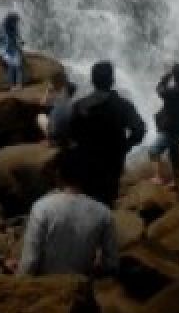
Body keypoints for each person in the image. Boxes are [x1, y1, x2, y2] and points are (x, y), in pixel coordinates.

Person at [59, 61, 146, 207]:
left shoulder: (80, 105)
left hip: (86, 161)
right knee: (107, 200)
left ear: (92, 81)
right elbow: (140, 129)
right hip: (113, 162)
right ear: (112, 80)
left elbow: (68, 132)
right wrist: (126, 146)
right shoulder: (123, 105)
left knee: (86, 198)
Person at [18, 151, 119, 277]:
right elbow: (111, 263)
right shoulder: (103, 212)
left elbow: (29, 261)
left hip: (45, 287)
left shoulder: (41, 207)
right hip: (79, 289)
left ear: (58, 174)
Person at [148, 63, 179, 189]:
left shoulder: (172, 93)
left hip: (170, 129)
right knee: (175, 154)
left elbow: (159, 90)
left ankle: (158, 177)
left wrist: (164, 78)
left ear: (176, 76)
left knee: (153, 150)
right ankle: (177, 183)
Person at [0, 12, 24, 89]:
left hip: (13, 49)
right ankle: (11, 86)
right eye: (15, 22)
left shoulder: (15, 29)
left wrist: (21, 42)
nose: (16, 24)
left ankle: (18, 85)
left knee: (18, 65)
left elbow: (19, 39)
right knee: (11, 65)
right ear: (10, 21)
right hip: (4, 50)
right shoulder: (0, 29)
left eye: (16, 22)